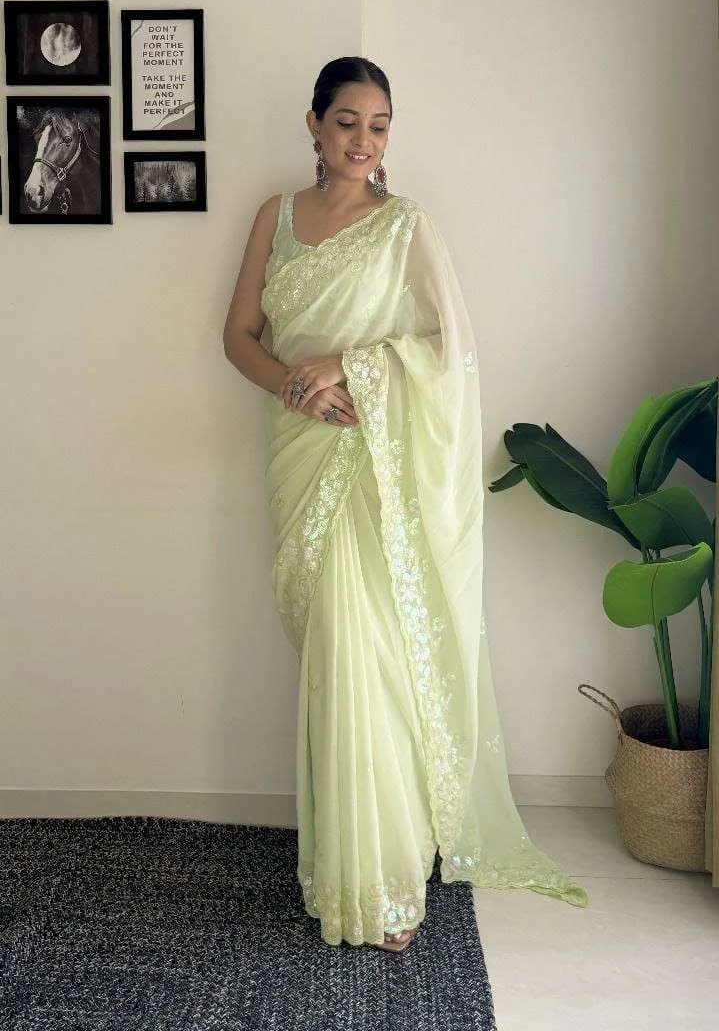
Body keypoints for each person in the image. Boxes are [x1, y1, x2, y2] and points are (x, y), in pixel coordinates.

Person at [222, 56, 587, 952]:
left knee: (367, 662)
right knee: (329, 663)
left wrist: (348, 368)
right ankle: (339, 862)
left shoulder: (406, 226)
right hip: (301, 452)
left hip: (374, 467)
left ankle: (382, 880)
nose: (363, 140)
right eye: (346, 121)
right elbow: (238, 336)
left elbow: (450, 348)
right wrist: (294, 388)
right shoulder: (274, 217)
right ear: (313, 125)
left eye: (379, 124)